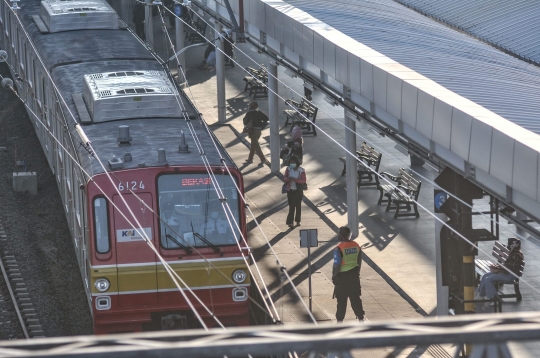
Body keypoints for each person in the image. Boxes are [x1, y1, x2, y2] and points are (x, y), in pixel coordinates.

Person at [332, 226, 365, 322]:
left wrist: (334, 276)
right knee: (355, 299)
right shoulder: (356, 246)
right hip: (354, 276)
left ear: (341, 236)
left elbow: (336, 265)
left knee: (341, 301)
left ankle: (339, 321)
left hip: (342, 277)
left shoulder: (338, 249)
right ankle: (361, 318)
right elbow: (359, 260)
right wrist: (357, 272)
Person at [283, 156, 306, 228]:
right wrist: (288, 179)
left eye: (293, 162)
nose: (291, 164)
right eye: (290, 162)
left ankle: (298, 220)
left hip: (298, 190)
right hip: (290, 190)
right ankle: (290, 222)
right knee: (291, 206)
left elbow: (303, 180)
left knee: (298, 206)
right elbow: (284, 178)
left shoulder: (301, 170)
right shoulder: (288, 169)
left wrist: (296, 180)